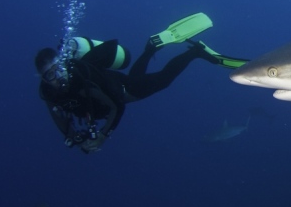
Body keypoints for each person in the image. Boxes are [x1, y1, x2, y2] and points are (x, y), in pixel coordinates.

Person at [36, 13, 246, 153]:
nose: (58, 77)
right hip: (119, 82)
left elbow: (117, 106)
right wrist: (71, 136)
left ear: (64, 64)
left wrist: (102, 136)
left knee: (163, 79)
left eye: (59, 69)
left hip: (124, 91)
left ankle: (195, 52)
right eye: (50, 75)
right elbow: (57, 116)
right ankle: (151, 47)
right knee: (135, 77)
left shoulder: (82, 80)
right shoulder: (48, 92)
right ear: (43, 79)